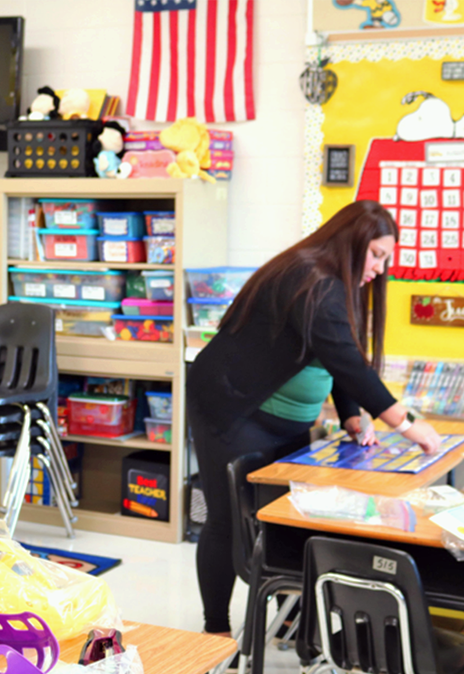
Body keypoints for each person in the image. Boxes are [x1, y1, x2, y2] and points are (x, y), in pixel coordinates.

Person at [186, 199, 441, 645]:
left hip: (283, 418)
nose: (380, 268)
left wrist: (351, 415)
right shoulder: (311, 280)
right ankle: (214, 632)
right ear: (351, 242)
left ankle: (286, 620)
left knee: (285, 518)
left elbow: (340, 358)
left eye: (386, 259)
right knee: (227, 519)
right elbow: (347, 361)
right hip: (231, 406)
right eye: (376, 255)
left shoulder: (336, 284)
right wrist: (406, 424)